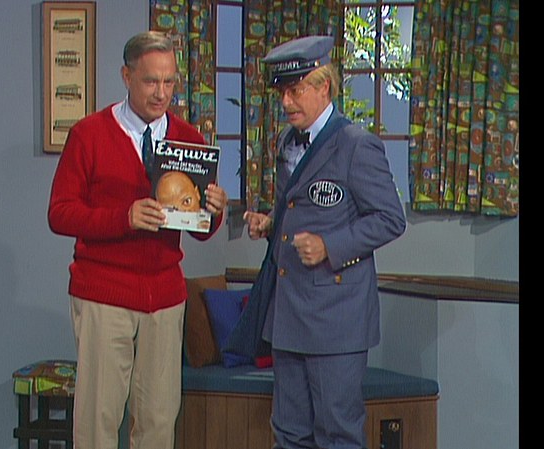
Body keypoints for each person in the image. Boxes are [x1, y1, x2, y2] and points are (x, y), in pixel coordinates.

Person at [47, 31, 228, 449]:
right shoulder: (90, 134)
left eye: (169, 81)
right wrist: (123, 217)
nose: (161, 93)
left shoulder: (189, 139)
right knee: (98, 419)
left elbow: (200, 228)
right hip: (104, 294)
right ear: (126, 76)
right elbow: (60, 213)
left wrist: (215, 211)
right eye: (150, 81)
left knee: (159, 419)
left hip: (164, 297)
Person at [242, 35, 406, 449]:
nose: (286, 102)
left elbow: (390, 219)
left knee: (337, 434)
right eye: (282, 92)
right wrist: (270, 223)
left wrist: (330, 246)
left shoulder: (356, 146)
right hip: (289, 313)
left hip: (336, 319)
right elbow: (299, 207)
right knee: (289, 434)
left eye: (296, 91)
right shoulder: (287, 141)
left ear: (324, 87)